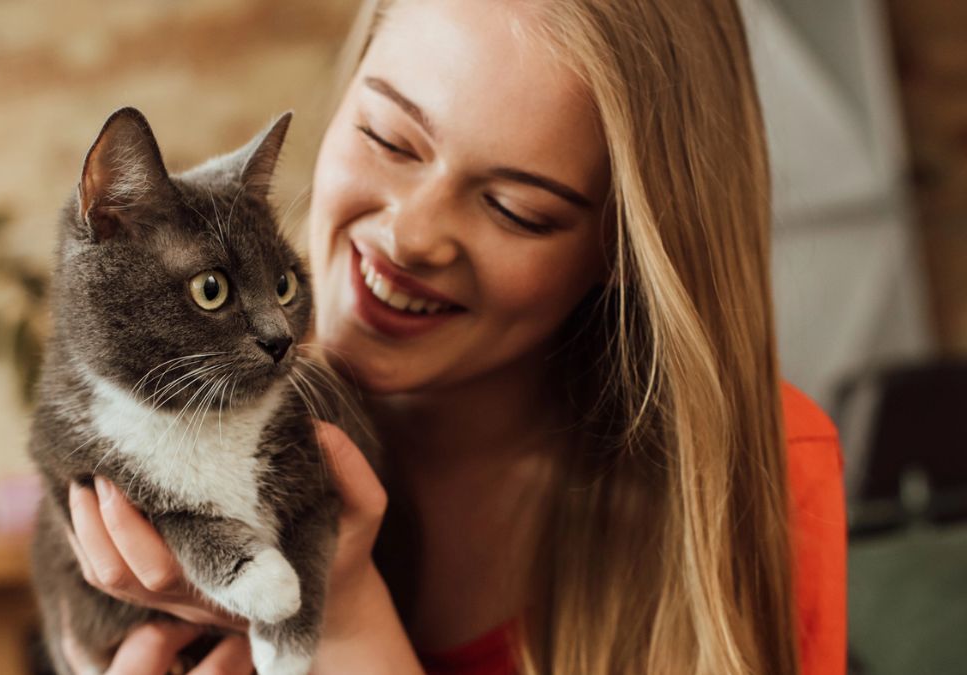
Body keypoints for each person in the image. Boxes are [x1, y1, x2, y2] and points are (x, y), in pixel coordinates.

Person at [59, 0, 847, 673]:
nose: (410, 237)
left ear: (626, 248)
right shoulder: (168, 416)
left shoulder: (762, 472)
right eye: (388, 138)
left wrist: (345, 615)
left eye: (516, 208)